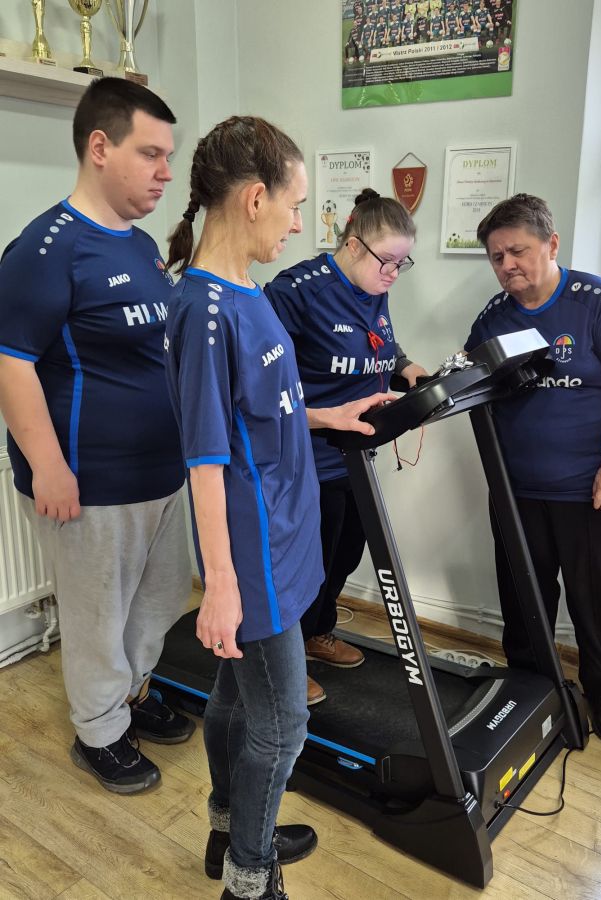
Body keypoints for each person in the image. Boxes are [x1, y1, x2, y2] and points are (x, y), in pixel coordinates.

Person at [164, 116, 390, 900]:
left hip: (286, 536)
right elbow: (204, 459)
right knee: (284, 723)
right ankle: (249, 878)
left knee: (236, 697)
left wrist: (331, 414)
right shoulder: (204, 312)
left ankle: (230, 830)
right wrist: (221, 586)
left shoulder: (246, 291)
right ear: (255, 198)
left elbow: (260, 411)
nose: (299, 224)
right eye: (295, 205)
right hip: (251, 554)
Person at [0, 77, 195, 794]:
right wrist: (48, 466)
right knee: (96, 617)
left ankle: (130, 691)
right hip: (90, 480)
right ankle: (100, 732)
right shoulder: (46, 248)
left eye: (169, 156)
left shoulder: (140, 245)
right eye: (151, 153)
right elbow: (10, 363)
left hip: (161, 470)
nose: (166, 172)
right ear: (100, 147)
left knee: (161, 598)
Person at [464, 193, 601, 744]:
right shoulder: (493, 318)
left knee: (596, 602)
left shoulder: (595, 302)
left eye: (517, 251)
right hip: (519, 491)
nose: (507, 265)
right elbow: (469, 382)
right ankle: (529, 688)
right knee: (524, 599)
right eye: (497, 257)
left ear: (551, 244)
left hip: (595, 489)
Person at [264, 189, 426, 706]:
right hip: (306, 457)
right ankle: (287, 660)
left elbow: (377, 340)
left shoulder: (372, 285)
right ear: (354, 245)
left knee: (345, 553)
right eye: (388, 261)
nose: (394, 274)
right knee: (307, 564)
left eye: (402, 264)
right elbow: (261, 376)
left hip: (356, 455)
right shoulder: (297, 291)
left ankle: (318, 632)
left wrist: (406, 367)